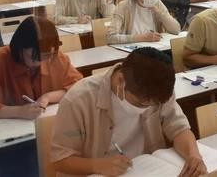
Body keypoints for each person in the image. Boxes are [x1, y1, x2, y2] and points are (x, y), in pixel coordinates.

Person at [51, 47, 206, 177]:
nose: (147, 108)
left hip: (145, 169)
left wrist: (193, 154)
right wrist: (97, 166)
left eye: (153, 105)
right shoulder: (78, 100)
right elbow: (60, 160)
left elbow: (178, 128)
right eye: (141, 104)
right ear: (120, 80)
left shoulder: (158, 91)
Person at [0, 16, 82, 120]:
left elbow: (79, 87)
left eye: (45, 57)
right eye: (33, 58)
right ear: (20, 47)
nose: (39, 63)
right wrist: (19, 111)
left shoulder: (54, 57)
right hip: (10, 128)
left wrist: (47, 97)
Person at [107, 0, 180, 44]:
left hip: (155, 47)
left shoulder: (157, 3)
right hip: (133, 49)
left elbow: (176, 30)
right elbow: (110, 37)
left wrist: (159, 13)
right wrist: (141, 38)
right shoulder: (124, 6)